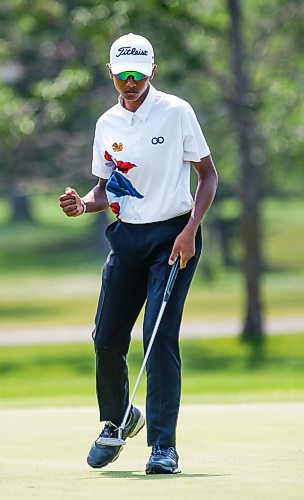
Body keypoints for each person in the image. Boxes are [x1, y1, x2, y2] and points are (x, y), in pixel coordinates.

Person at [59, 32, 218, 475]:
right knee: (106, 337)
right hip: (128, 237)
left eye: (139, 75)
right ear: (110, 74)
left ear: (151, 72)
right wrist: (83, 204)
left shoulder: (176, 112)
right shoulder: (107, 123)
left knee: (158, 336)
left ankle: (163, 447)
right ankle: (117, 420)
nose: (131, 83)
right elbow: (109, 185)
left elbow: (207, 176)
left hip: (174, 237)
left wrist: (190, 230)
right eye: (123, 75)